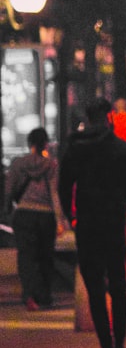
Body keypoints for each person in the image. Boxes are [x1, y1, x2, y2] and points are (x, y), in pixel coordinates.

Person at [59, 97, 126, 348]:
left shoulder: (75, 149)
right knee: (118, 286)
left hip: (87, 224)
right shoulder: (123, 150)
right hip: (115, 222)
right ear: (110, 117)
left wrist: (72, 217)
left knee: (95, 287)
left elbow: (64, 187)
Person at [5, 127, 67, 311]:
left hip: (24, 214)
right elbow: (55, 193)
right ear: (45, 143)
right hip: (45, 215)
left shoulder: (18, 164)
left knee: (26, 257)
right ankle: (45, 295)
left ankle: (30, 296)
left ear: (29, 143)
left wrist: (8, 210)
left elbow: (9, 190)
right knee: (45, 256)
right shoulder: (51, 165)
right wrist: (60, 219)